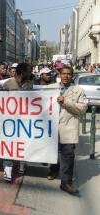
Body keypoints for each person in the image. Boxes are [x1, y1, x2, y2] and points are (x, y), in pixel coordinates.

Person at [46, 66, 87, 196]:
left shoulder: (78, 91)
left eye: (69, 74)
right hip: (52, 128)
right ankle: (53, 170)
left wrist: (66, 101)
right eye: (63, 73)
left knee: (68, 156)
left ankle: (66, 182)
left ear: (72, 76)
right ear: (59, 74)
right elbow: (31, 95)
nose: (66, 76)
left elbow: (82, 109)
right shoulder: (51, 87)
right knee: (53, 151)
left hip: (68, 127)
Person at [2, 63, 34, 182]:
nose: (31, 73)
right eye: (29, 71)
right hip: (9, 121)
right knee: (8, 144)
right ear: (22, 72)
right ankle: (8, 168)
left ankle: (22, 163)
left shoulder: (30, 84)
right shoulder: (8, 84)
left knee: (23, 142)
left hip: (25, 120)